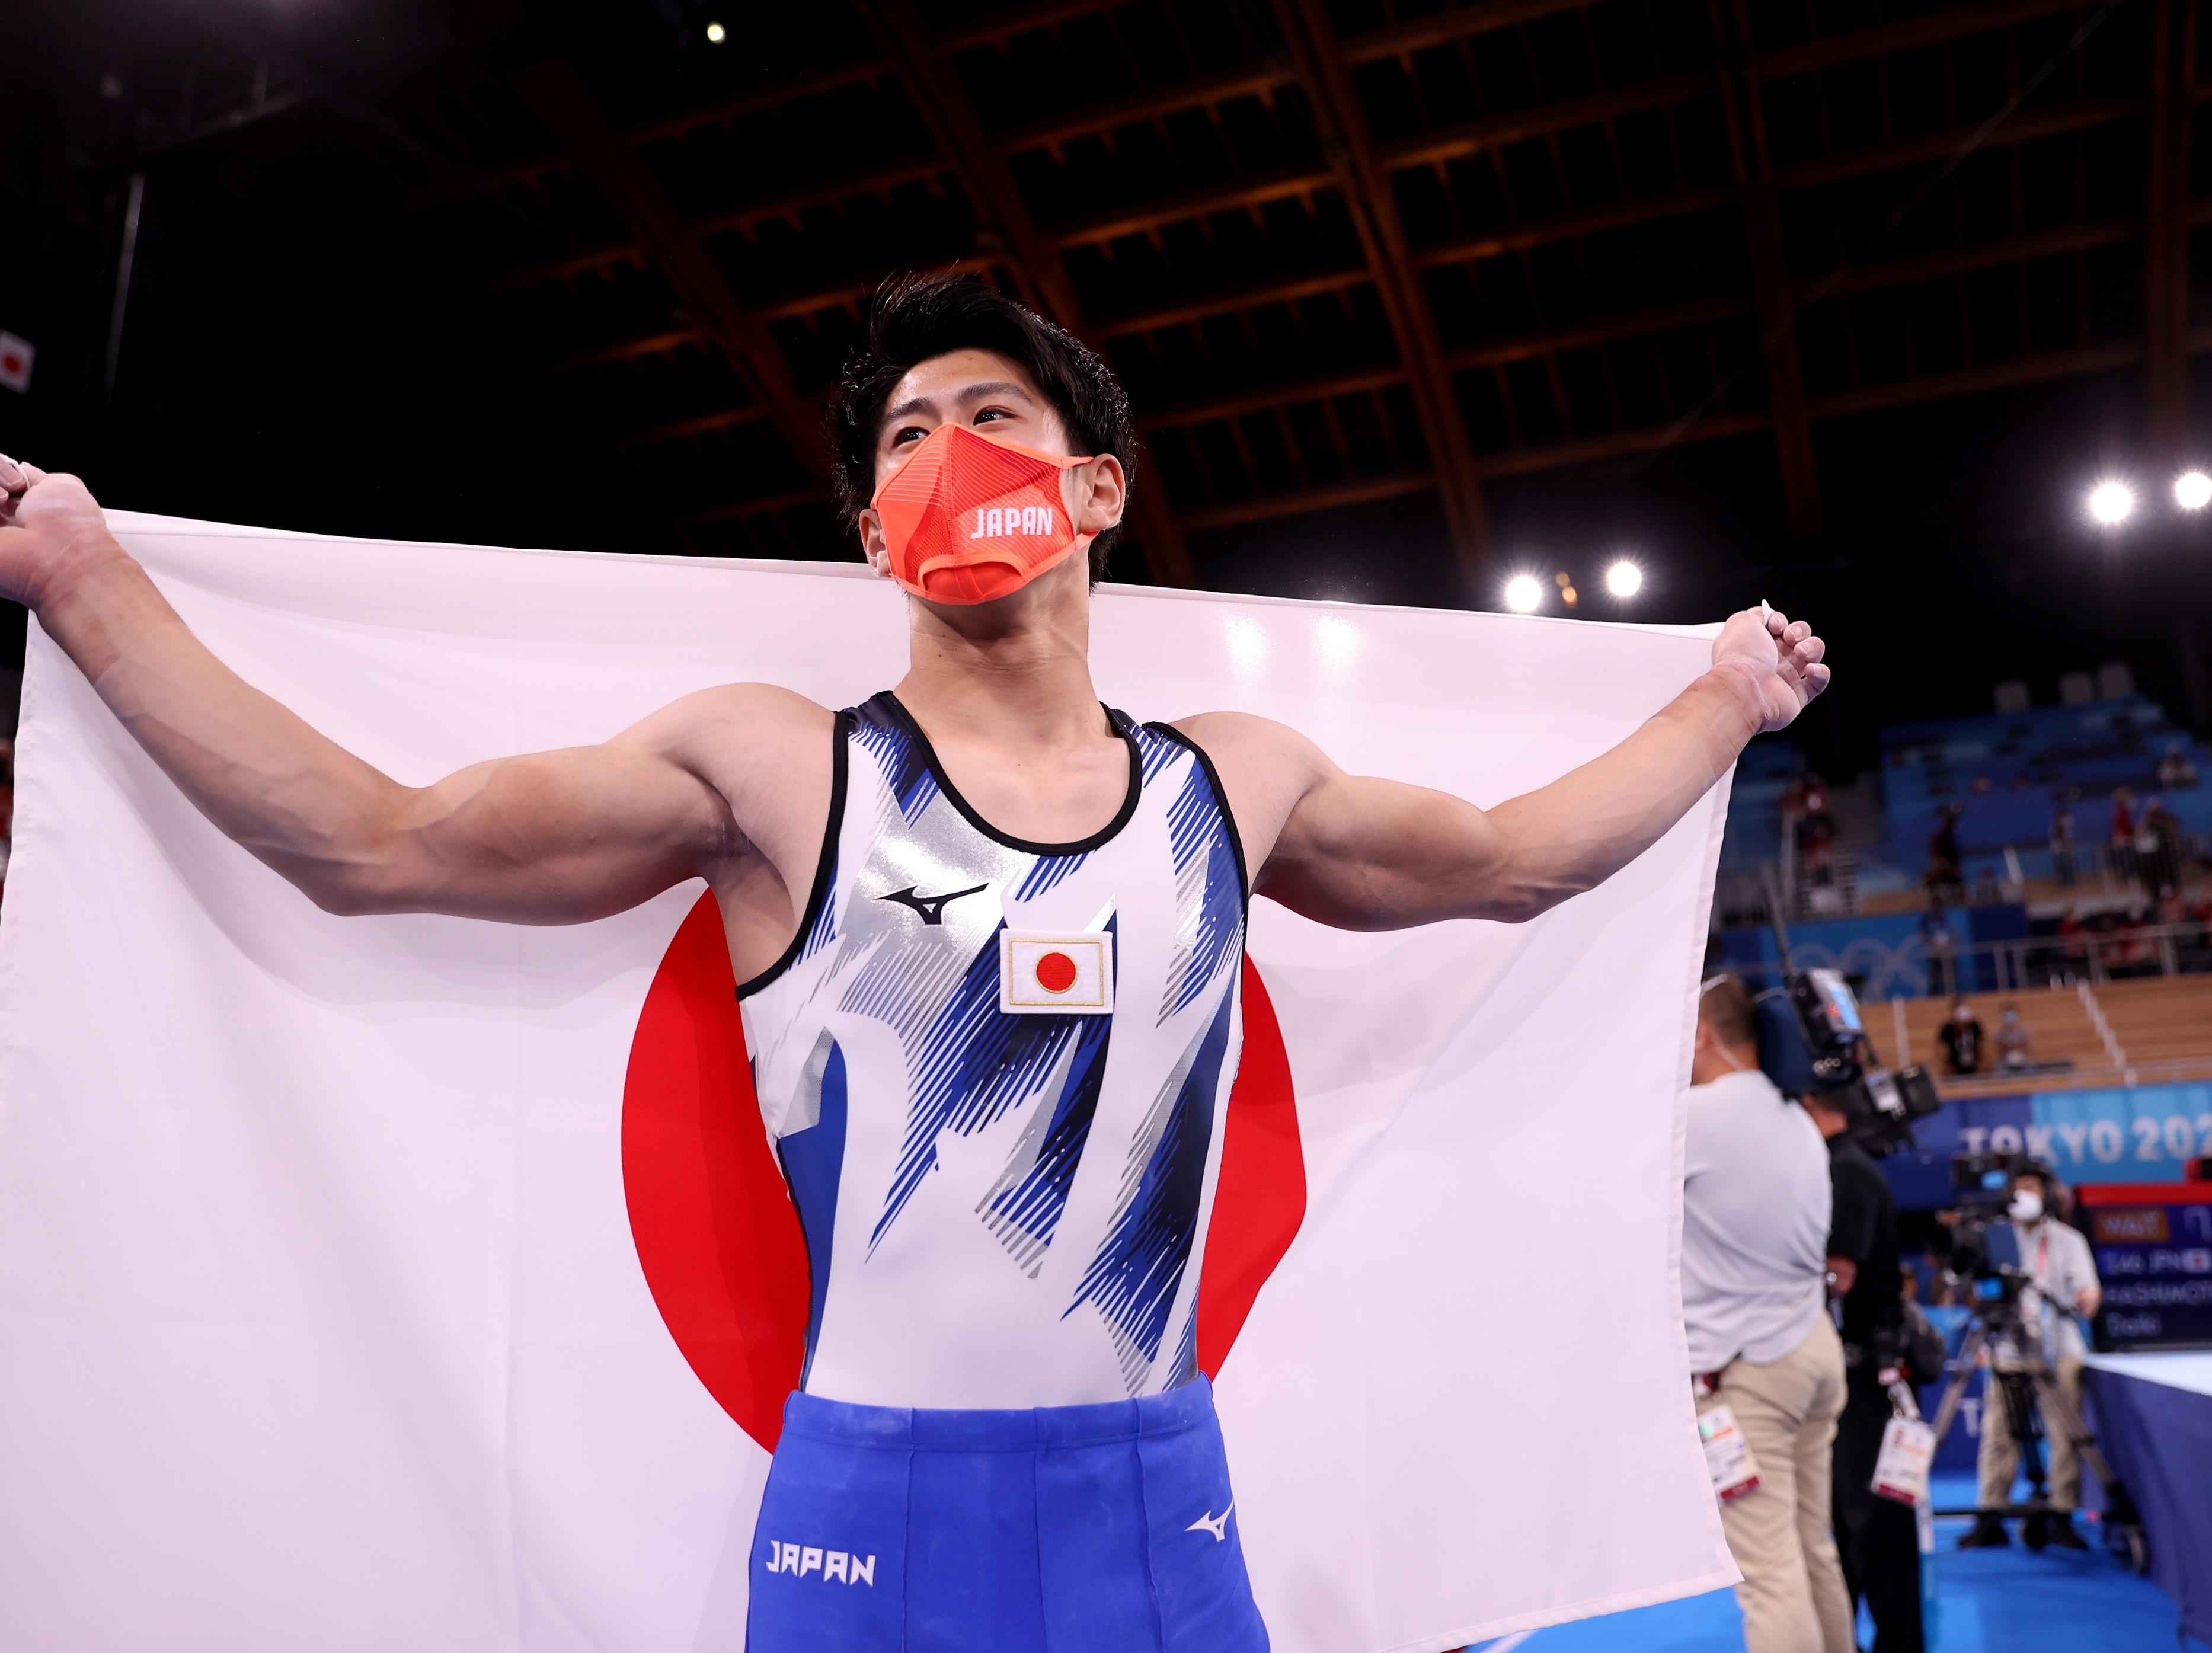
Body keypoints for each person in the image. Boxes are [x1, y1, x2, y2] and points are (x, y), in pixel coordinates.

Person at [0, 274, 1832, 1651]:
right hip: (866, 1524)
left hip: (1157, 1511)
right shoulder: (779, 769)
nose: (946, 452)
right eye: (902, 437)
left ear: (1097, 491)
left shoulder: (1234, 781)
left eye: (995, 416)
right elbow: (368, 839)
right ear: (873, 530)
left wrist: (1718, 704)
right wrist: (81, 577)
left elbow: (1515, 865)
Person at [1682, 977, 1854, 1653]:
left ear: (1702, 1034)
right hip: (1812, 1351)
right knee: (1814, 1550)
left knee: (1768, 1575)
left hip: (1751, 1372)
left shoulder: (1700, 1117)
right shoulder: (1798, 1124)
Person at [1799, 1085, 1922, 1653]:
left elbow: (1837, 1275)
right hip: (1857, 1373)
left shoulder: (1847, 1170)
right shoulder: (1845, 1165)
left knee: (1872, 1522)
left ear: (1812, 1106)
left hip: (1865, 1379)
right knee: (1853, 1522)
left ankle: (1895, 1643)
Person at [1959, 1165, 2101, 1550]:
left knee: (2065, 1436)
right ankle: (1992, 1512)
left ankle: (2062, 1512)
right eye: (2018, 1187)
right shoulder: (1994, 1238)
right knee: (1998, 1435)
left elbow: (2089, 1290)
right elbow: (1975, 1289)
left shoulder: (2067, 1239)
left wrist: (2087, 1298)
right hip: (2007, 1346)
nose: (2024, 1194)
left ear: (2049, 1194)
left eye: (2032, 1187)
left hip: (2058, 1350)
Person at [1937, 999, 1984, 1076]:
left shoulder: (1975, 1027)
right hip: (1954, 1068)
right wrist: (1945, 1067)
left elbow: (1983, 1046)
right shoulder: (1948, 1029)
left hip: (1975, 1065)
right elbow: (1940, 1050)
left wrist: (1982, 1064)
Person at [1993, 1003, 2032, 1072]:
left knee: (2030, 1071)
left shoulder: (2022, 1031)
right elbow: (2000, 1048)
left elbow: (2025, 1046)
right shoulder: (2000, 1032)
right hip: (2005, 1062)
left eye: (2012, 1014)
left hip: (2021, 1061)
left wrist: (2012, 1046)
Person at [2048, 808, 2077, 887]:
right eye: (2065, 816)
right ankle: (2066, 884)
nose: (2067, 818)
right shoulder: (2058, 826)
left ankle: (2069, 883)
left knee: (2068, 867)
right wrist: (2067, 845)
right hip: (2061, 851)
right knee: (2064, 867)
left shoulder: (2066, 826)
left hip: (2065, 850)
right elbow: (2060, 838)